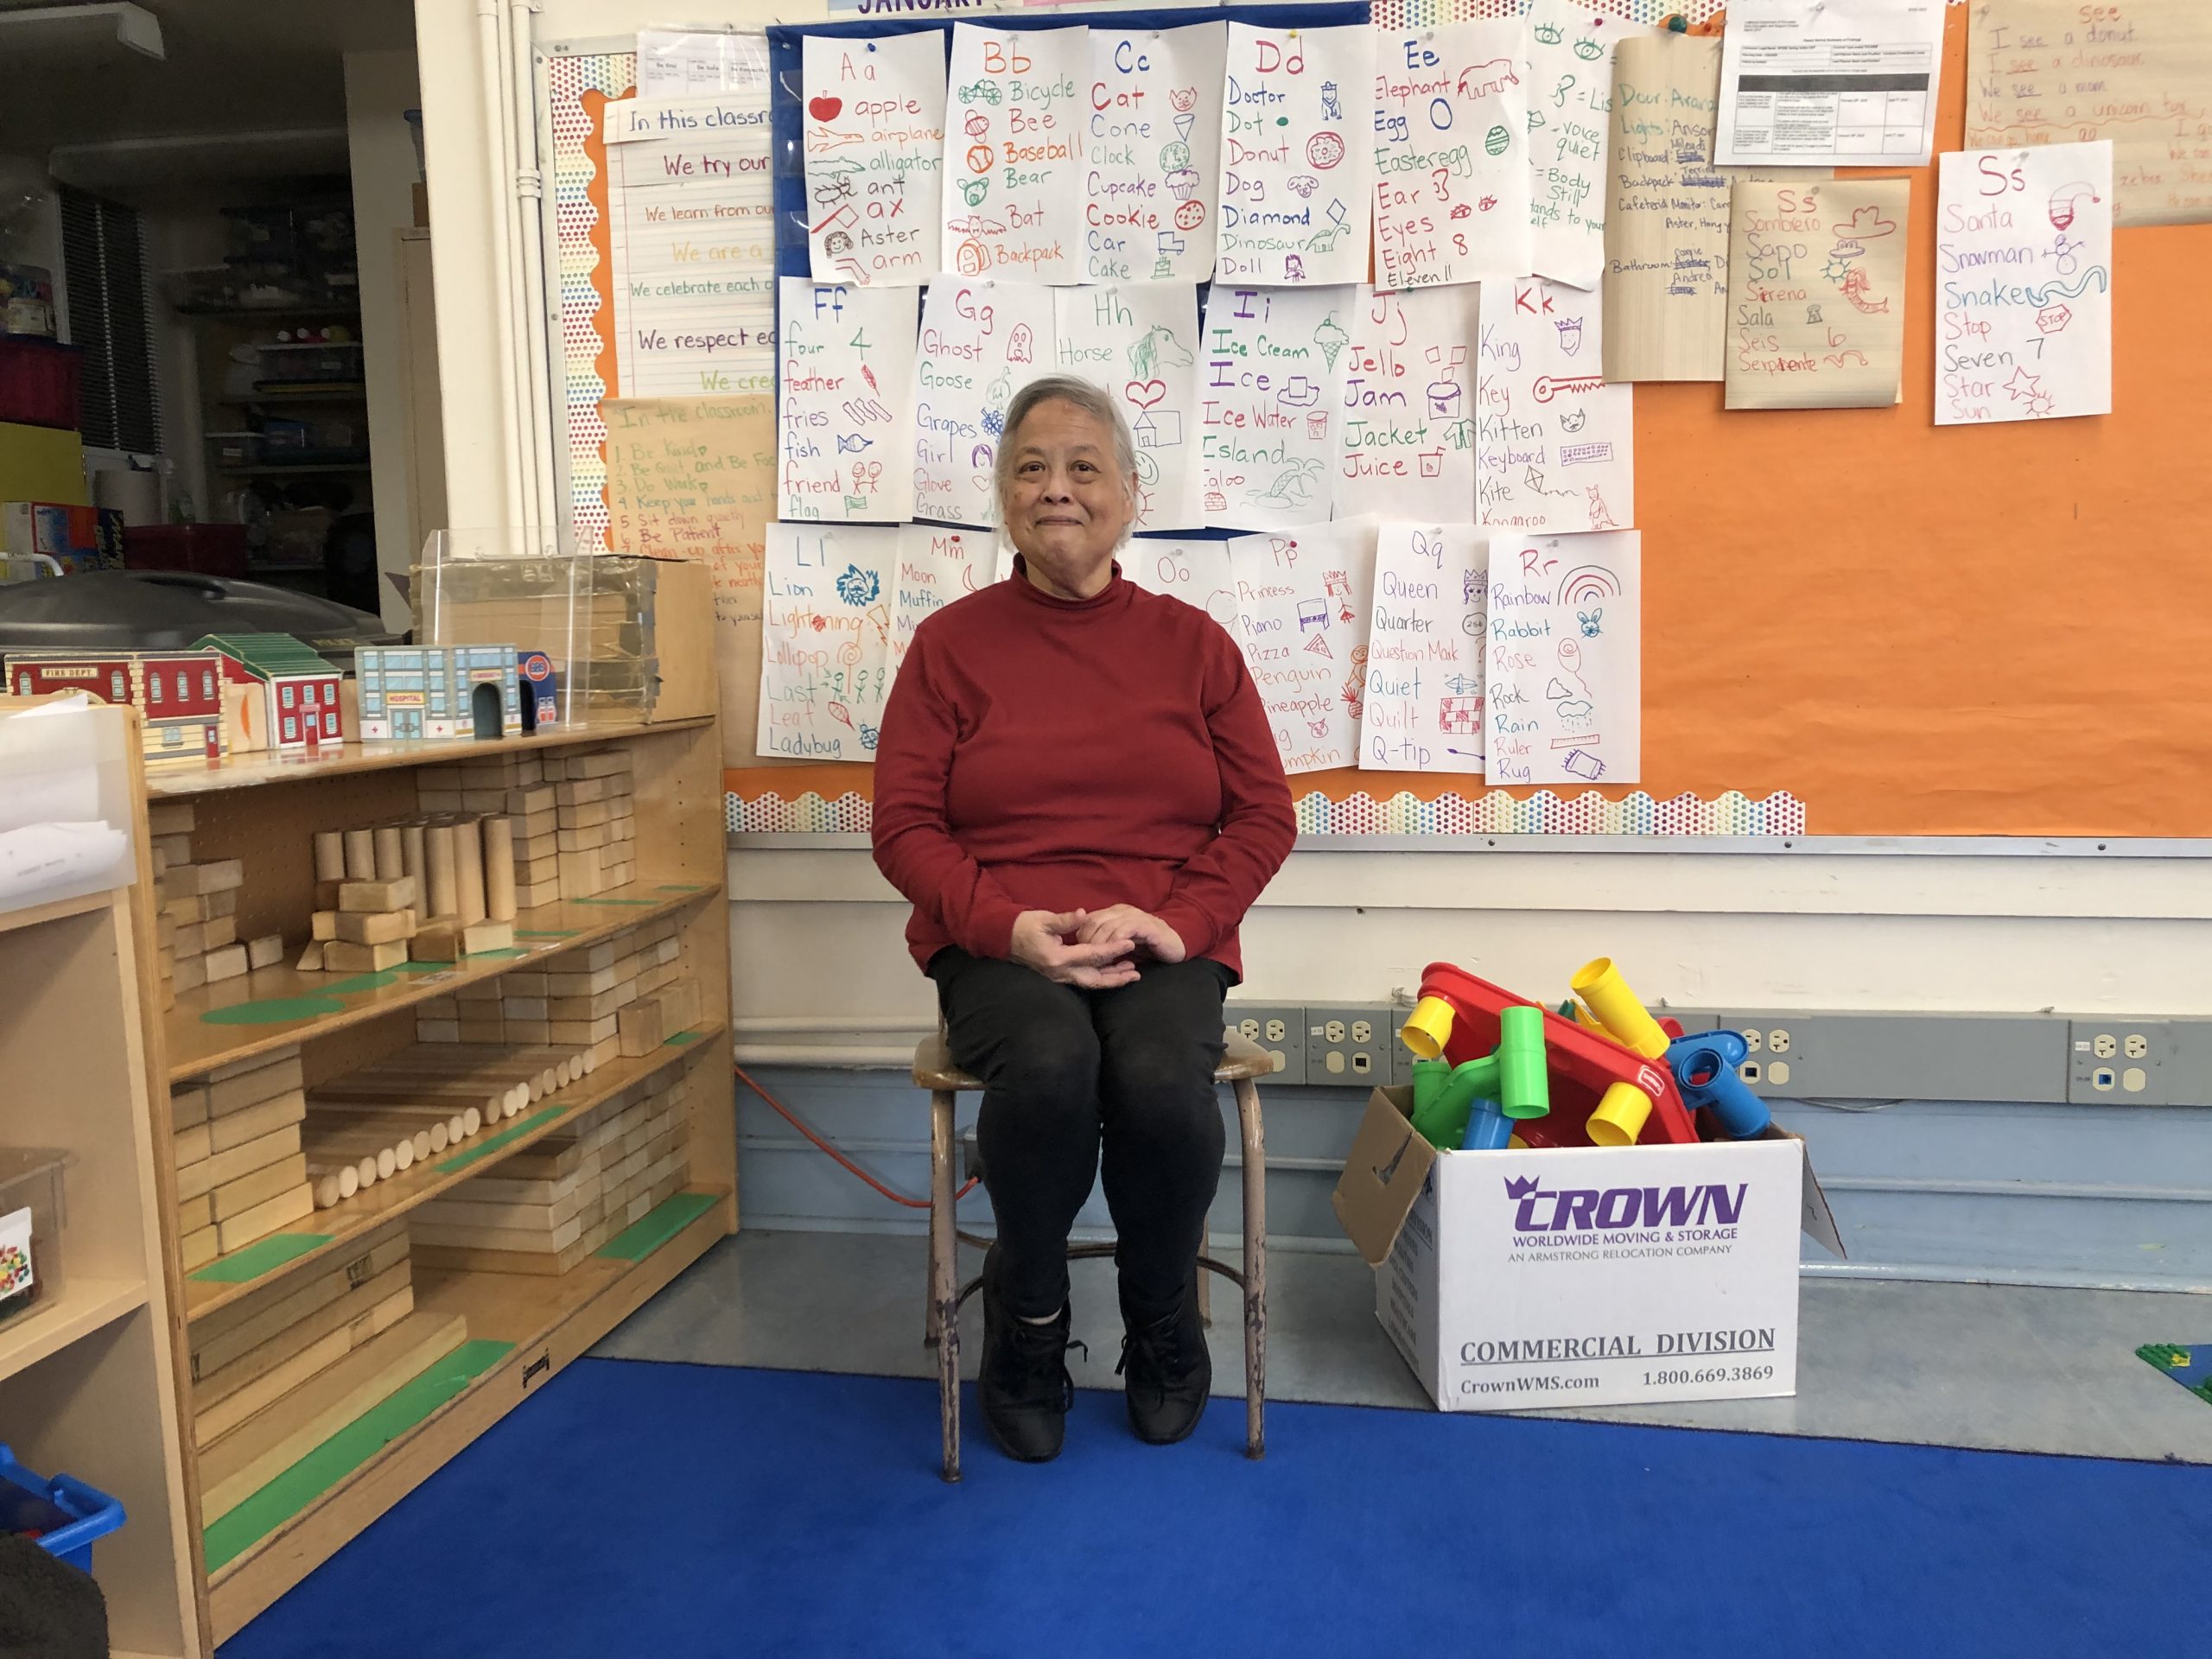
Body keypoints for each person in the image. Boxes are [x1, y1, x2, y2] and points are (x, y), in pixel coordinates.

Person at [872, 376, 1296, 1463]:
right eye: (1030, 467)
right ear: (1005, 496)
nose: (1055, 488)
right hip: (1000, 940)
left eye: (1082, 467)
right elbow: (905, 827)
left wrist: (1178, 921)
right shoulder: (948, 647)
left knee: (1157, 1077)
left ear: (1128, 495)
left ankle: (1163, 1318)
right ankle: (1030, 1319)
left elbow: (1262, 815)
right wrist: (1004, 924)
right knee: (1052, 1065)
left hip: (1162, 932)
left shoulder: (1195, 646)